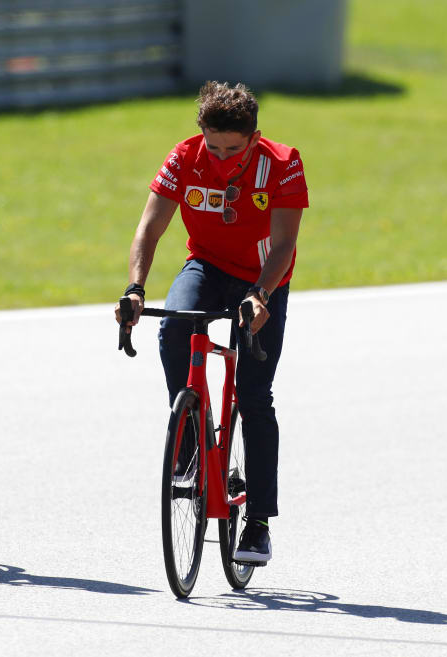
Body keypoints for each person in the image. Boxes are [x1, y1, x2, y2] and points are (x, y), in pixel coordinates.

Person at [115, 81, 308, 563]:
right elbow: (149, 228)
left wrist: (261, 295)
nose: (221, 159)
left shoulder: (282, 163)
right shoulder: (184, 157)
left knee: (254, 395)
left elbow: (284, 243)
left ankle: (258, 522)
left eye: (233, 150)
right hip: (206, 266)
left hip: (263, 278)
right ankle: (188, 443)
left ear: (254, 138)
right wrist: (136, 288)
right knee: (173, 327)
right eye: (213, 147)